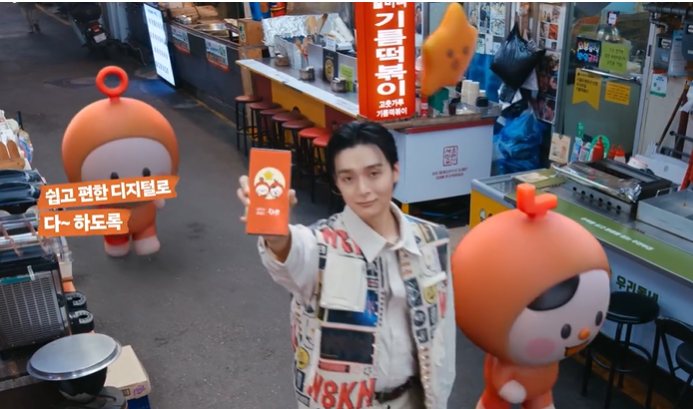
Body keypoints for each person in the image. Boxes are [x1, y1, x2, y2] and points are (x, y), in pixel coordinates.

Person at [237, 122, 456, 409]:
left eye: (374, 173)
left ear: (395, 170)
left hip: (413, 400)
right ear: (337, 183)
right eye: (348, 178)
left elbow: (443, 333)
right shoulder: (321, 245)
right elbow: (292, 253)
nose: (363, 190)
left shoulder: (432, 239)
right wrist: (275, 234)